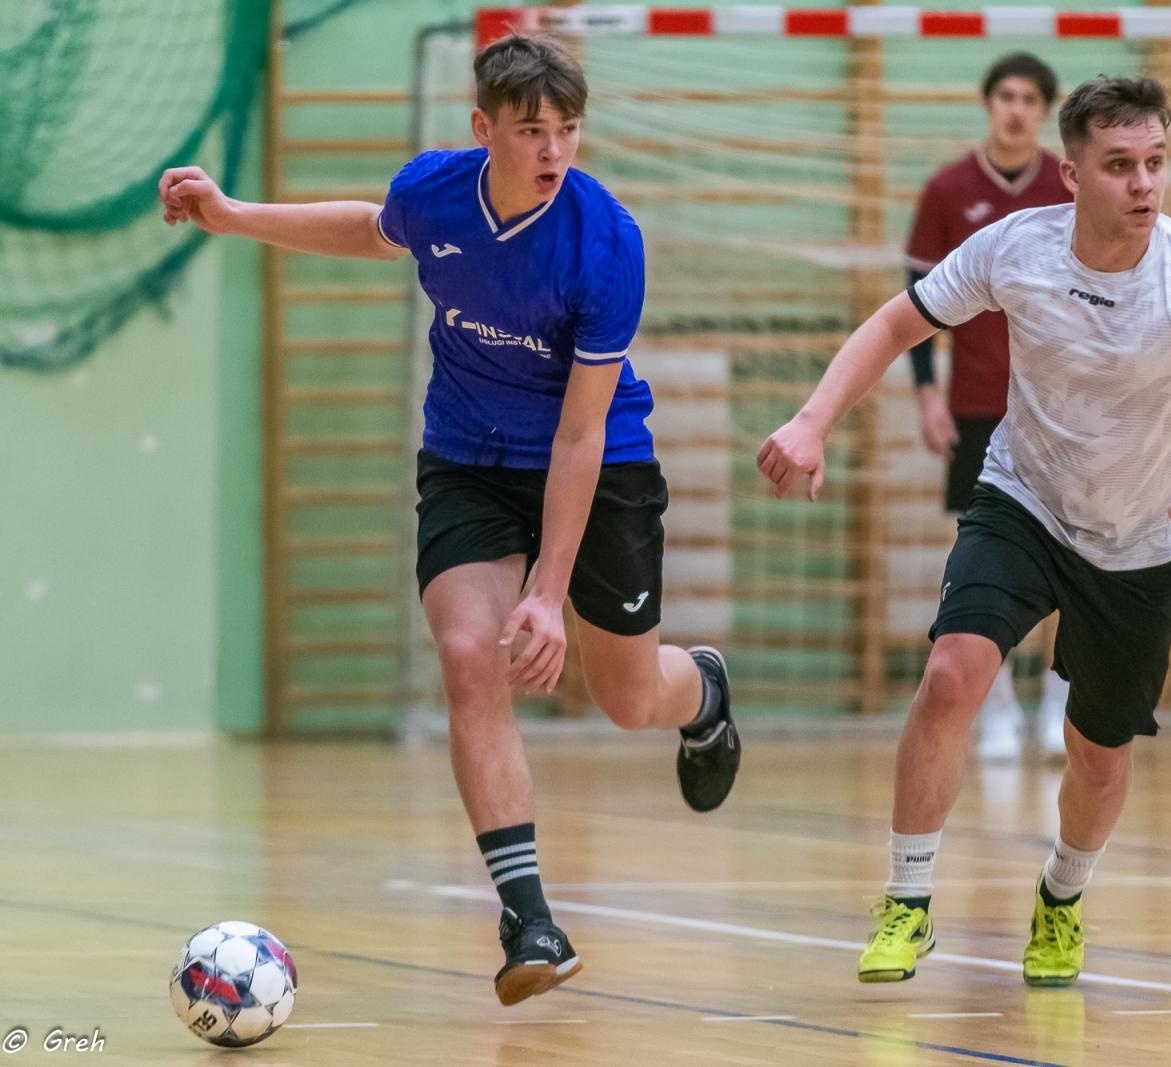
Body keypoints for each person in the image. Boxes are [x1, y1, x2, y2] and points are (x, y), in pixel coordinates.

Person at [158, 32, 741, 1005]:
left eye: (566, 130)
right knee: (470, 652)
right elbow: (372, 228)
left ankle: (707, 692)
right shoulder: (436, 192)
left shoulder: (606, 242)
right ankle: (528, 914)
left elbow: (580, 435)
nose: (553, 151)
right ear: (483, 130)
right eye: (530, 131)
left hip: (592, 459)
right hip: (468, 456)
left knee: (627, 696)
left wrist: (550, 591)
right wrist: (230, 216)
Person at [758, 75, 1171, 985]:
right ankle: (907, 903)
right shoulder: (1015, 248)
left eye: (1155, 162)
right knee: (953, 673)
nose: (1144, 184)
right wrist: (811, 420)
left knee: (1097, 755)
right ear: (1070, 175)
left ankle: (1062, 898)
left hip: (1142, 538)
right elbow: (894, 323)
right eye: (1120, 166)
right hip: (1025, 497)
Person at [905, 51, 1073, 761]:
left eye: (1029, 98)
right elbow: (914, 302)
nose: (1015, 109)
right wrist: (925, 393)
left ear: (1044, 110)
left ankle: (1060, 701)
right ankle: (997, 706)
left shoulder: (1070, 190)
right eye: (1004, 95)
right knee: (982, 563)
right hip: (978, 403)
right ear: (988, 104)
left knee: (1074, 553)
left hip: (1062, 408)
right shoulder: (948, 190)